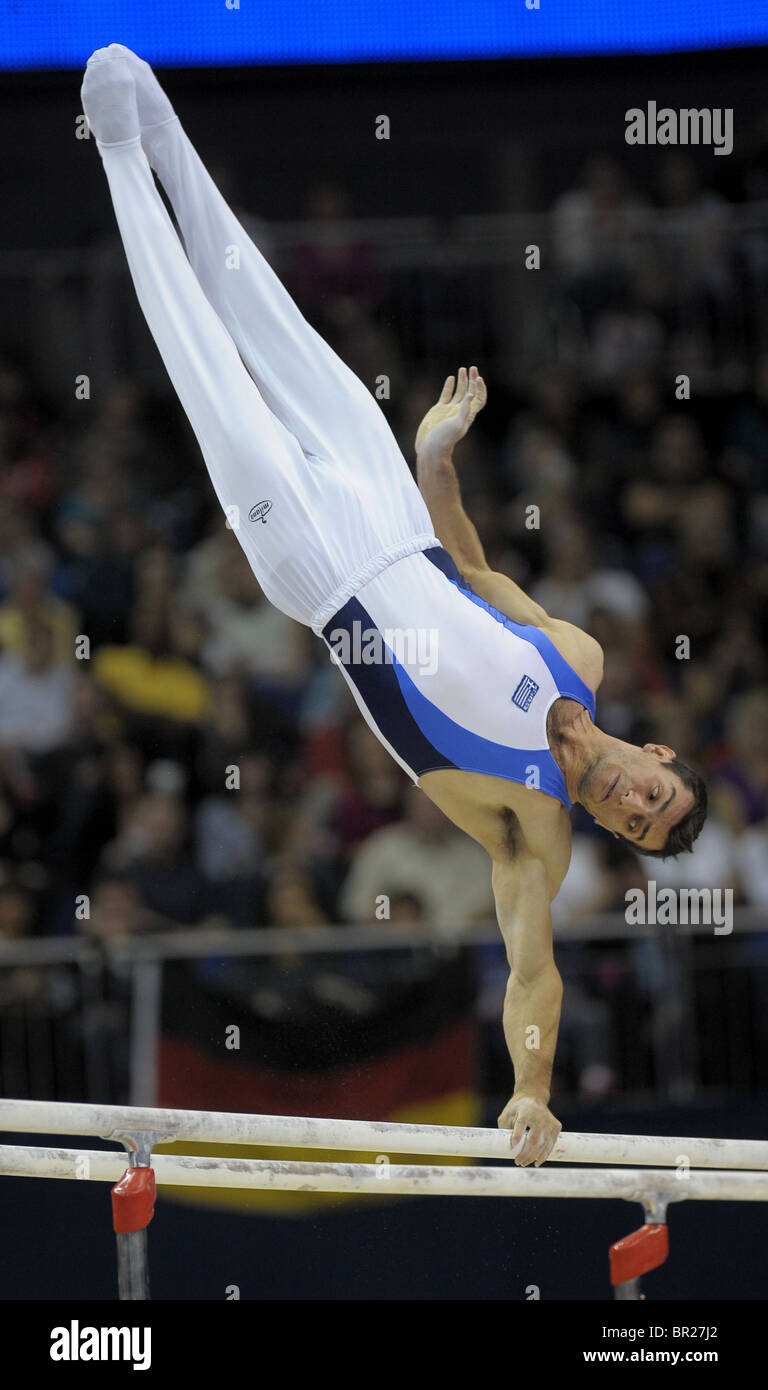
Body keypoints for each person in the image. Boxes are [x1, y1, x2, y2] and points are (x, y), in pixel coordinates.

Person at [80, 47, 707, 1166]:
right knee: (264, 311)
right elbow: (473, 574)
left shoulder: (532, 831)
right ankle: (164, 123)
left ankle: (121, 154)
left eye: (635, 823)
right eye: (651, 791)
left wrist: (530, 1087)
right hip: (394, 510)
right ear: (656, 750)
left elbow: (532, 970)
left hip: (320, 574)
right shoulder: (578, 655)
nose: (626, 800)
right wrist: (437, 465)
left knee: (209, 371)